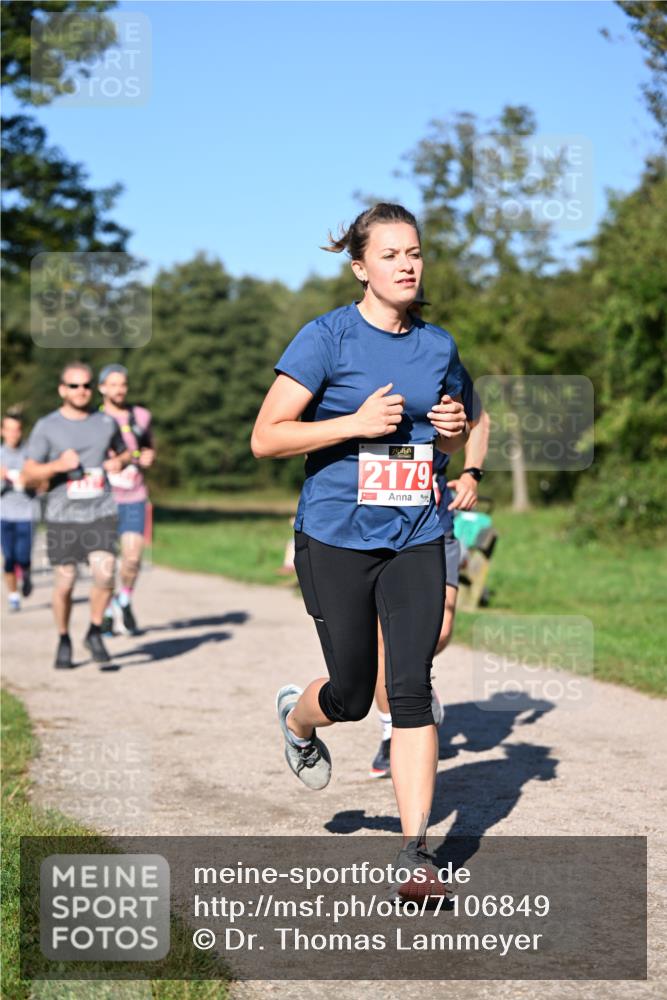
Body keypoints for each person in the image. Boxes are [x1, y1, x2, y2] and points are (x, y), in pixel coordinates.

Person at [252, 203, 468, 879]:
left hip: (415, 532)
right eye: (389, 255)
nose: (406, 265)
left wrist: (456, 428)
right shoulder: (326, 338)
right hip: (336, 535)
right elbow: (266, 437)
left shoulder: (437, 346)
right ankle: (300, 719)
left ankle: (415, 852)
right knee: (350, 693)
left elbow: (456, 424)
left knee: (409, 686)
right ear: (360, 267)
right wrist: (351, 422)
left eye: (414, 252)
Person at [369, 294, 490, 775]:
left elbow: (478, 419)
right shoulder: (359, 358)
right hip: (373, 518)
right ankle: (389, 728)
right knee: (386, 637)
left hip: (433, 513)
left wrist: (473, 473)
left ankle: (414, 680)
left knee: (438, 626)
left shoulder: (439, 356)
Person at [22, 362, 130, 668]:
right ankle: (64, 637)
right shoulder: (47, 426)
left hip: (100, 509)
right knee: (65, 582)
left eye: (85, 385)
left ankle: (94, 630)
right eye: (74, 386)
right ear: (62, 390)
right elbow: (29, 474)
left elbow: (123, 451)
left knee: (105, 571)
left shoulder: (106, 423)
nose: (81, 391)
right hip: (62, 515)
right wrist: (56, 466)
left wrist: (119, 462)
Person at [97, 364, 155, 635]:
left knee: (132, 558)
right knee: (105, 565)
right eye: (113, 384)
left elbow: (148, 448)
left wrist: (147, 457)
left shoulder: (141, 416)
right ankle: (107, 612)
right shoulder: (91, 421)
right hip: (101, 500)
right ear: (102, 388)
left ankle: (125, 599)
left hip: (134, 496)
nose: (119, 389)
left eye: (123, 384)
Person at [1, 412, 40, 611]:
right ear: (2, 431)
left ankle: (26, 572)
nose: (13, 434)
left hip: (27, 513)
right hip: (4, 514)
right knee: (8, 559)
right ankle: (13, 596)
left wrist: (29, 480)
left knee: (22, 557)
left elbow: (43, 483)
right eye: (9, 430)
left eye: (16, 430)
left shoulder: (30, 454)